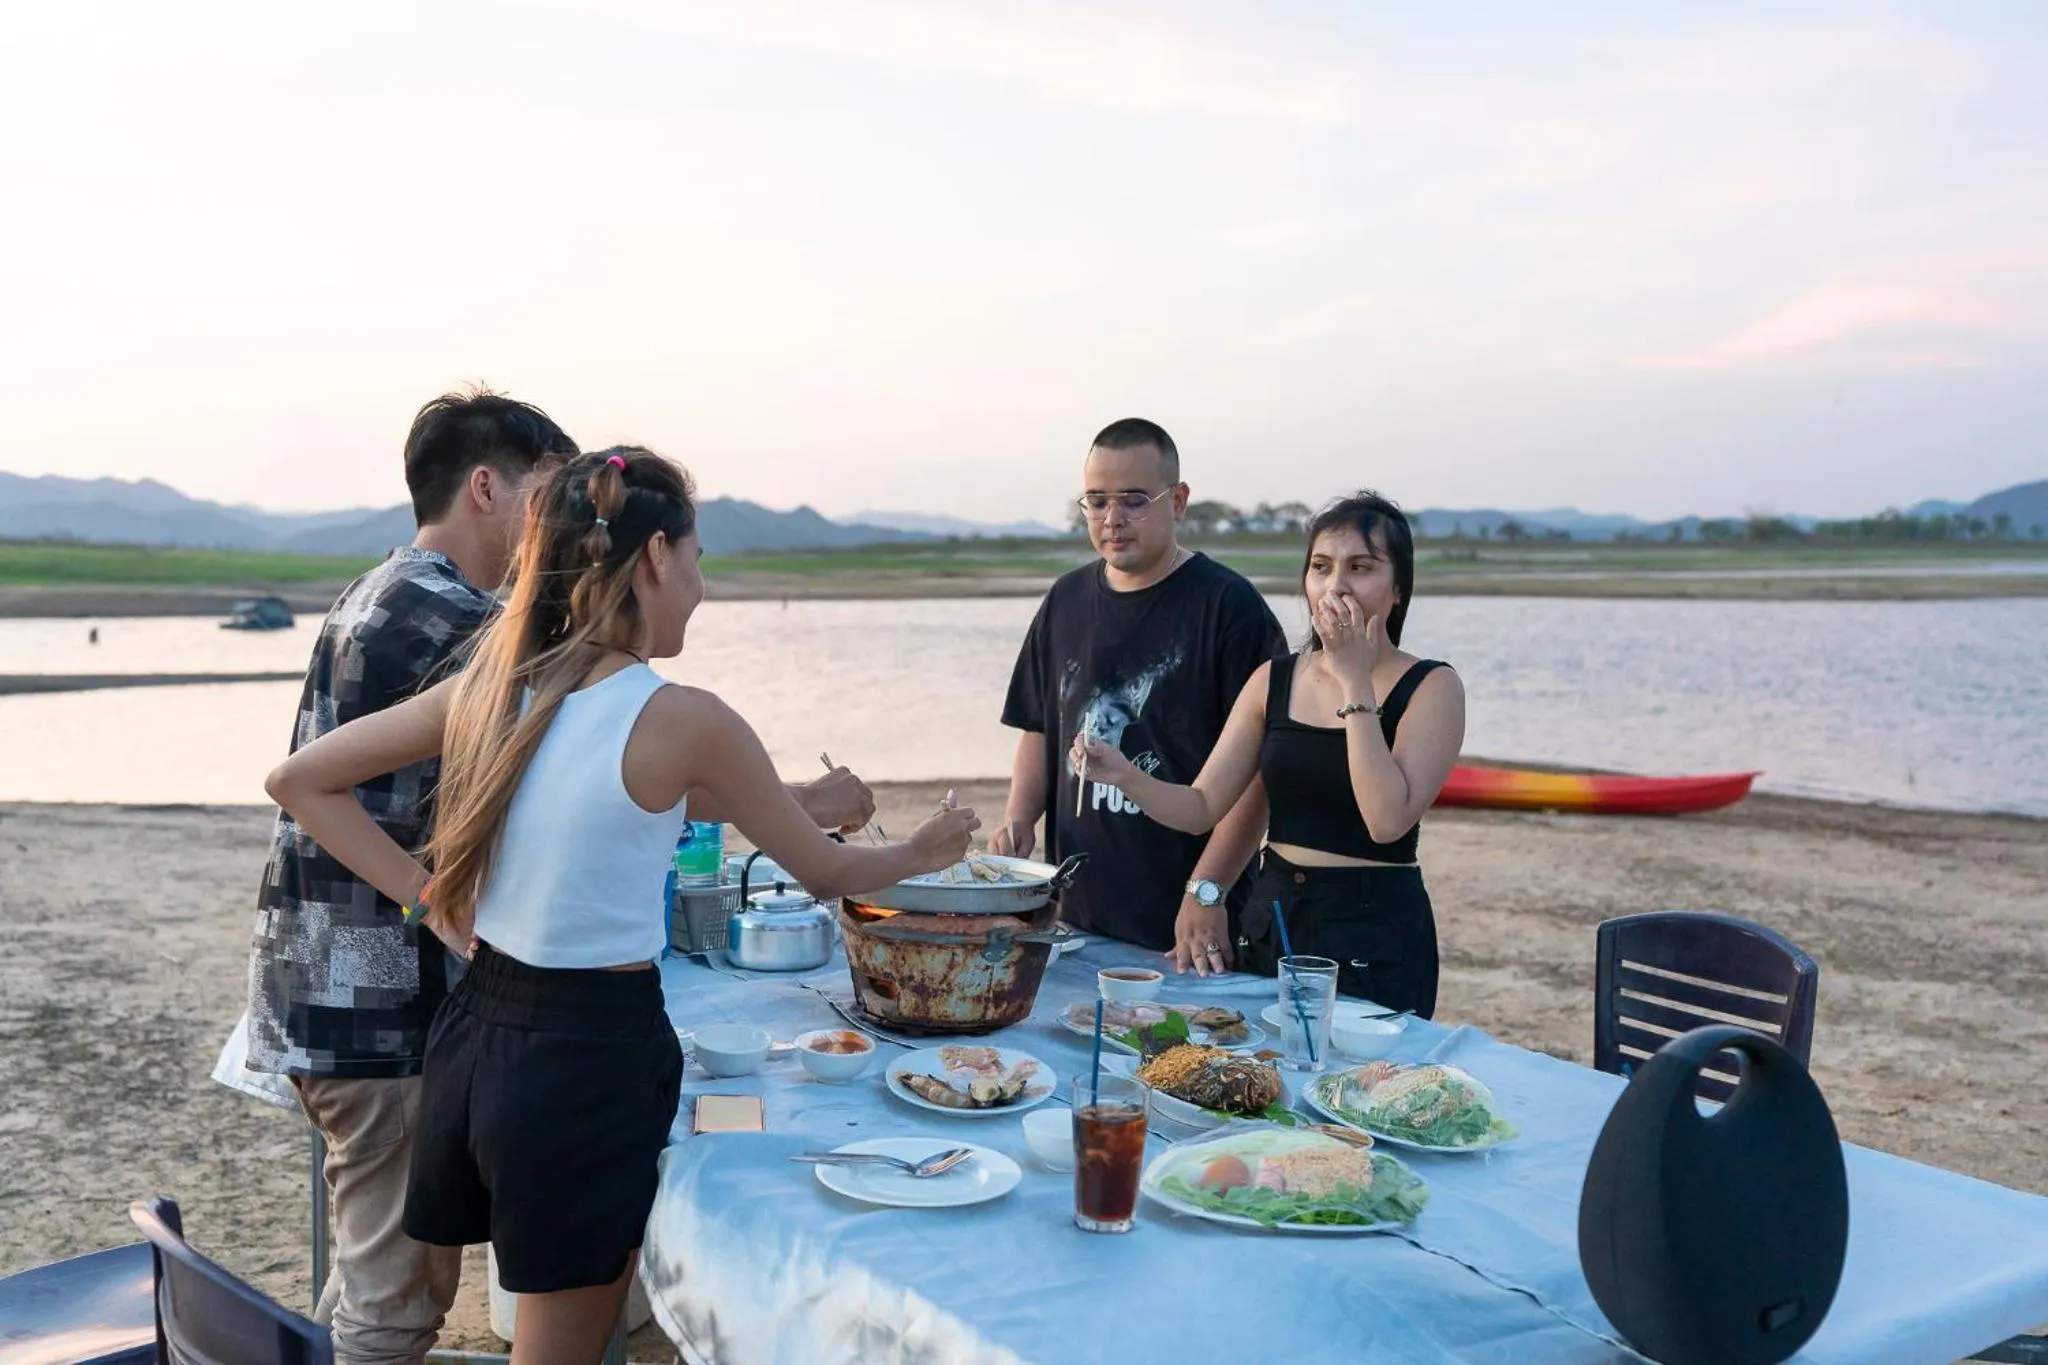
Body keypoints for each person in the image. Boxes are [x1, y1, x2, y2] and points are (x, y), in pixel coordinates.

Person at [265, 447, 977, 1365]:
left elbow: (298, 779)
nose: (701, 586)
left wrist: (425, 896)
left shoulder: (498, 686)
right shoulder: (684, 717)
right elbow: (828, 874)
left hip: (477, 1035)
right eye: (697, 558)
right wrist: (924, 850)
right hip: (582, 1061)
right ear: (652, 559)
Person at [1072, 491, 1464, 1017]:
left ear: (1398, 589)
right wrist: (1122, 775)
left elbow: (1386, 820)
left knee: (1364, 1094)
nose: (1337, 585)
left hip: (1375, 936)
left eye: (1361, 568)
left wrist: (1353, 679)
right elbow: (1200, 806)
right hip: (1273, 921)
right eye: (1321, 567)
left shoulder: (1432, 686)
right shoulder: (1274, 678)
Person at [994, 418, 1285, 973]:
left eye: (1133, 500)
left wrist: (1208, 891)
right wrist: (1019, 820)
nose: (1113, 519)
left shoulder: (1229, 608)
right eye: (1097, 501)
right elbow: (1037, 723)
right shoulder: (1066, 599)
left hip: (1187, 925)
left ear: (1177, 501)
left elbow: (1261, 776)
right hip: (1076, 914)